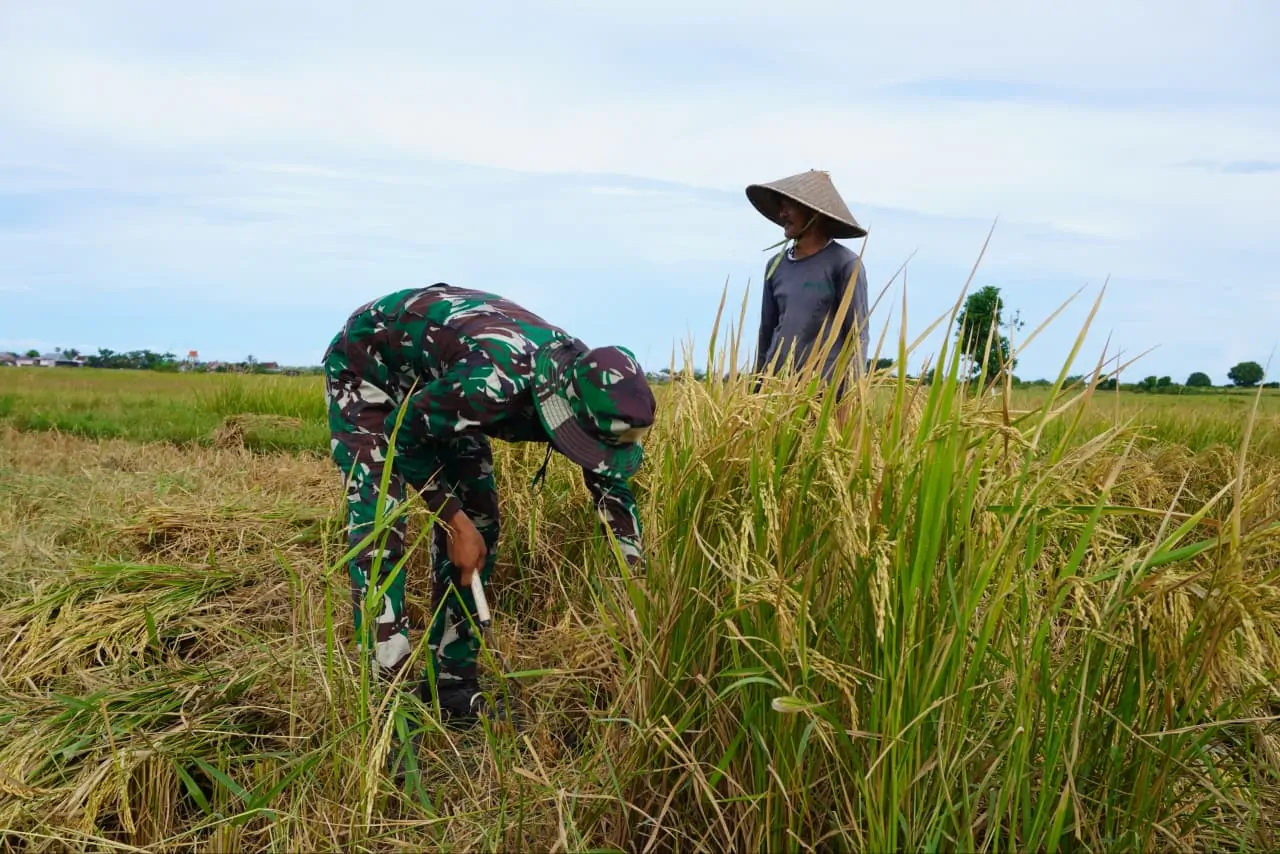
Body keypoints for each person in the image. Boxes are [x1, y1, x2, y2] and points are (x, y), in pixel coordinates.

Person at [322, 283, 655, 741]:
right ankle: (387, 714)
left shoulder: (592, 387)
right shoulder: (492, 386)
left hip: (441, 386)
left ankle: (453, 687)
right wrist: (451, 519)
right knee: (382, 534)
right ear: (564, 410)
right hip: (371, 375)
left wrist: (636, 587)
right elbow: (408, 435)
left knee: (482, 530)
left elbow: (611, 489)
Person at [746, 170, 870, 421]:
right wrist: (755, 391)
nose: (782, 214)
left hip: (821, 398)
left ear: (813, 212)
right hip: (776, 395)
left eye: (789, 207)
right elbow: (766, 333)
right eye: (781, 207)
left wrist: (848, 401)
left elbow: (857, 337)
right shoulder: (776, 265)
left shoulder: (844, 265)